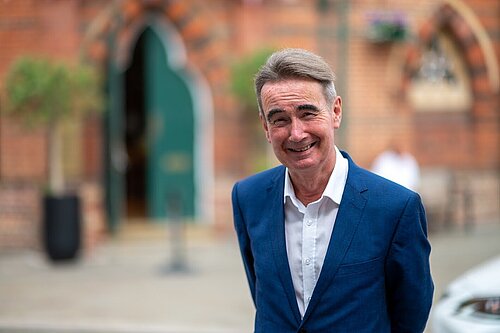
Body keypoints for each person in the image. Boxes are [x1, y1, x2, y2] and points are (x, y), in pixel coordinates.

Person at [231, 48, 433, 333]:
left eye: (307, 113)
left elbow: (411, 313)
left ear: (335, 112)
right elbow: (263, 295)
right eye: (279, 119)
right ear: (265, 126)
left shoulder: (395, 207)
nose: (296, 133)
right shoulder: (247, 197)